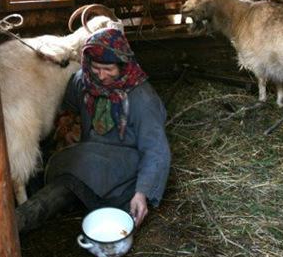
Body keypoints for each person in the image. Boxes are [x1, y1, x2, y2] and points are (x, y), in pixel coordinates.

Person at [15, 28, 171, 233]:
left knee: (75, 178)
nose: (101, 75)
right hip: (87, 154)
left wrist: (142, 193)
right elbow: (69, 106)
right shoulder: (83, 81)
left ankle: (25, 217)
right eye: (96, 67)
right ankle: (23, 218)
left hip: (124, 162)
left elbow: (156, 150)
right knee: (61, 167)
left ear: (123, 65)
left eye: (109, 69)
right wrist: (68, 124)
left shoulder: (142, 98)